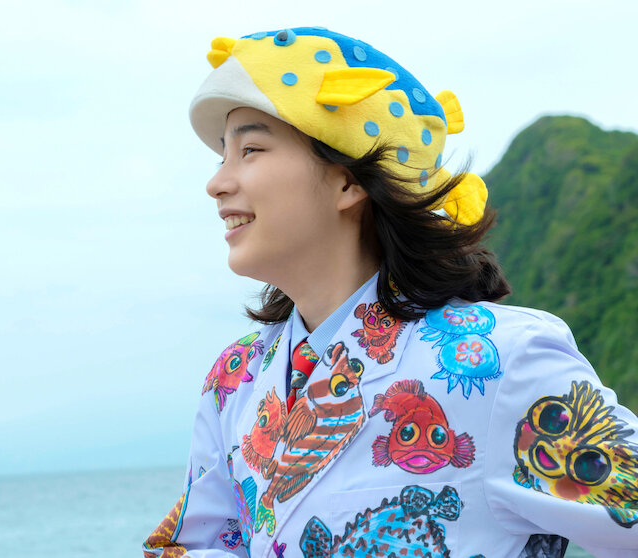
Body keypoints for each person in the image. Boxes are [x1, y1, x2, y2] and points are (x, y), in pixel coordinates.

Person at [143, 27, 638, 558]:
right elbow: (192, 544)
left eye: (250, 149)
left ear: (349, 180)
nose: (217, 182)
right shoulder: (234, 378)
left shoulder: (500, 362)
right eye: (222, 155)